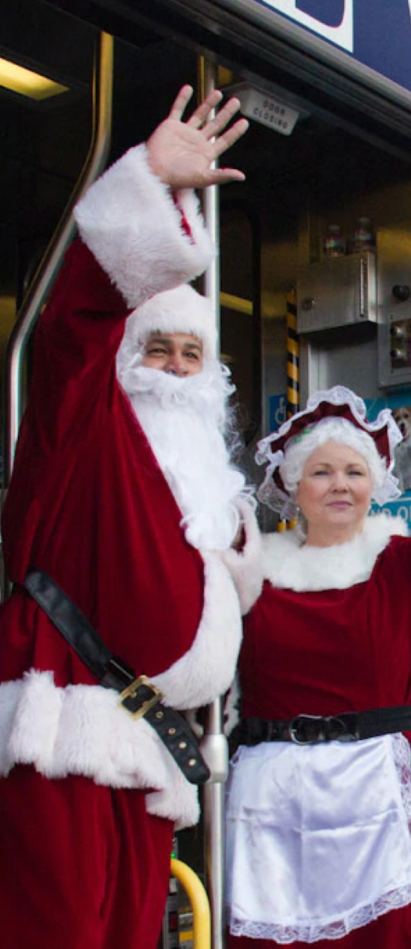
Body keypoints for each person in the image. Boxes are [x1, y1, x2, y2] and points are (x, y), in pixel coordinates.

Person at [0, 87, 262, 949]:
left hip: (149, 751)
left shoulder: (211, 499)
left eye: (194, 354)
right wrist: (150, 179)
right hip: (61, 736)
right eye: (158, 347)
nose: (177, 368)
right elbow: (71, 331)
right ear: (125, 356)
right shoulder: (83, 427)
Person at [223, 315, 411, 947]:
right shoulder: (250, 575)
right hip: (271, 808)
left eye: (354, 472)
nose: (340, 486)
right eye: (322, 472)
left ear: (374, 486)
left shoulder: (408, 568)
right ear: (291, 486)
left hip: (378, 801)